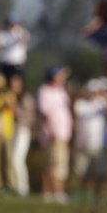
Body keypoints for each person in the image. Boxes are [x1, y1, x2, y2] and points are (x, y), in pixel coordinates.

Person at [36, 66, 72, 203]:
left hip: (63, 135)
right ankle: (57, 193)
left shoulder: (62, 91)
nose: (63, 78)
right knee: (54, 165)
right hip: (53, 134)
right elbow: (45, 113)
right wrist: (53, 131)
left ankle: (48, 194)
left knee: (57, 165)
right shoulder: (45, 91)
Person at [8, 74, 35, 196]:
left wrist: (15, 110)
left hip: (23, 130)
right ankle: (15, 186)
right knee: (13, 160)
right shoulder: (10, 97)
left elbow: (30, 117)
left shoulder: (27, 98)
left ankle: (23, 189)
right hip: (11, 131)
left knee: (17, 159)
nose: (14, 87)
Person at [0, 14, 30, 82]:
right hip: (5, 64)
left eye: (13, 24)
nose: (11, 26)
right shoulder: (3, 33)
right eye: (10, 24)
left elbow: (25, 40)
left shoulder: (22, 32)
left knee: (15, 85)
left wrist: (19, 31)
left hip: (17, 65)